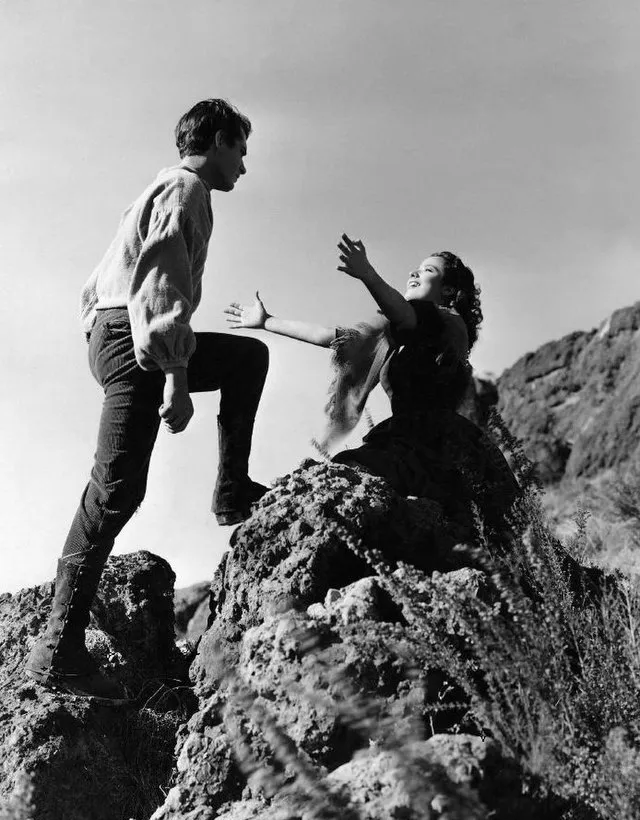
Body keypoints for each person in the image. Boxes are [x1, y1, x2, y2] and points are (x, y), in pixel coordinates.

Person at [26, 99, 269, 703]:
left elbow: (102, 288)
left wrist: (106, 340)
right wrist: (177, 380)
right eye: (240, 147)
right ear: (216, 140)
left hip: (117, 334)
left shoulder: (160, 190)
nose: (243, 163)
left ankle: (231, 489)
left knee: (246, 358)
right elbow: (161, 287)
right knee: (114, 490)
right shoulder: (186, 190)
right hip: (136, 340)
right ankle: (57, 651)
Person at [225, 234, 519, 540]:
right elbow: (334, 338)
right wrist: (267, 321)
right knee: (340, 481)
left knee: (343, 481)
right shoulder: (396, 336)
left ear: (448, 289)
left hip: (439, 447)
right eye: (416, 268)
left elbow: (405, 314)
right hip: (407, 440)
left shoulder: (448, 323)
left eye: (428, 270)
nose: (414, 273)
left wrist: (368, 275)